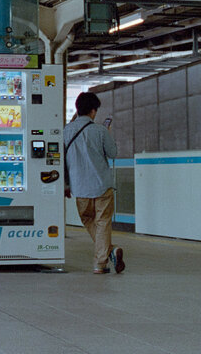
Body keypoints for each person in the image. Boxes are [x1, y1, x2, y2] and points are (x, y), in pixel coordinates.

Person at [63, 92, 125, 274]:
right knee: (103, 222)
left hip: (79, 187)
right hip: (102, 186)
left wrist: (66, 186)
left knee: (88, 219)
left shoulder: (66, 131)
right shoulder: (100, 130)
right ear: (93, 111)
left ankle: (106, 254)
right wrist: (108, 134)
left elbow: (61, 160)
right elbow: (113, 153)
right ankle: (102, 260)